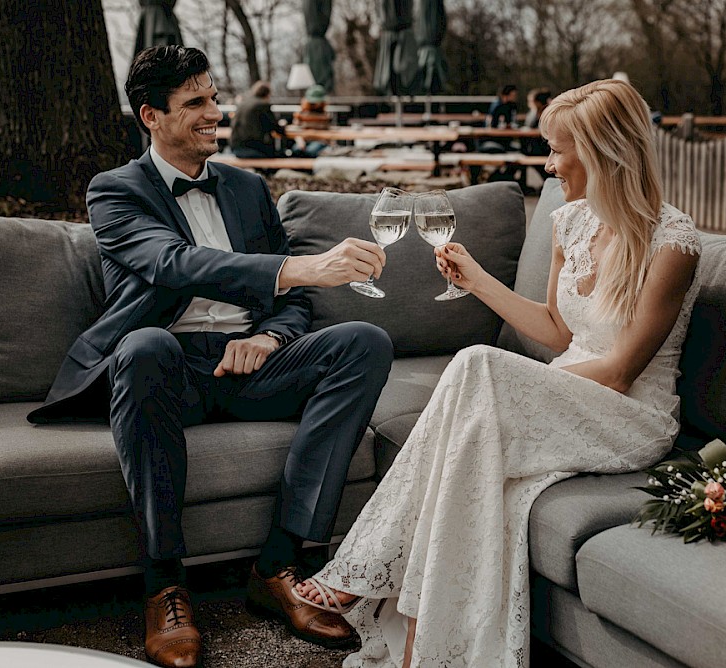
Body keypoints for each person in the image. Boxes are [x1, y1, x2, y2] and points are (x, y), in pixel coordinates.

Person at [292, 78, 702, 667]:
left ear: (604, 151)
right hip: (570, 395)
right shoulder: (570, 223)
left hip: (629, 415)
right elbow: (559, 332)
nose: (550, 164)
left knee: (477, 367)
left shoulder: (673, 242)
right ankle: (422, 645)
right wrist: (476, 279)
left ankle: (359, 572)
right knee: (465, 450)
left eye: (559, 150)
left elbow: (618, 373)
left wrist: (527, 386)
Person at [27, 45, 394, 668]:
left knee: (364, 341)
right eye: (195, 103)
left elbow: (292, 304)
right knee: (144, 345)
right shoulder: (115, 191)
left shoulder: (249, 189)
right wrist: (301, 266)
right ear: (150, 115)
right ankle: (164, 586)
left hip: (252, 364)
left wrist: (269, 338)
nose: (213, 114)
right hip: (166, 371)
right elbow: (173, 263)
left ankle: (281, 564)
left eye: (214, 99)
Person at [230, 80, 288, 158]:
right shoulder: (262, 105)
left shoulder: (243, 104)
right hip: (253, 148)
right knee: (281, 155)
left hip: (236, 148)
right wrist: (283, 127)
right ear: (268, 94)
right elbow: (273, 126)